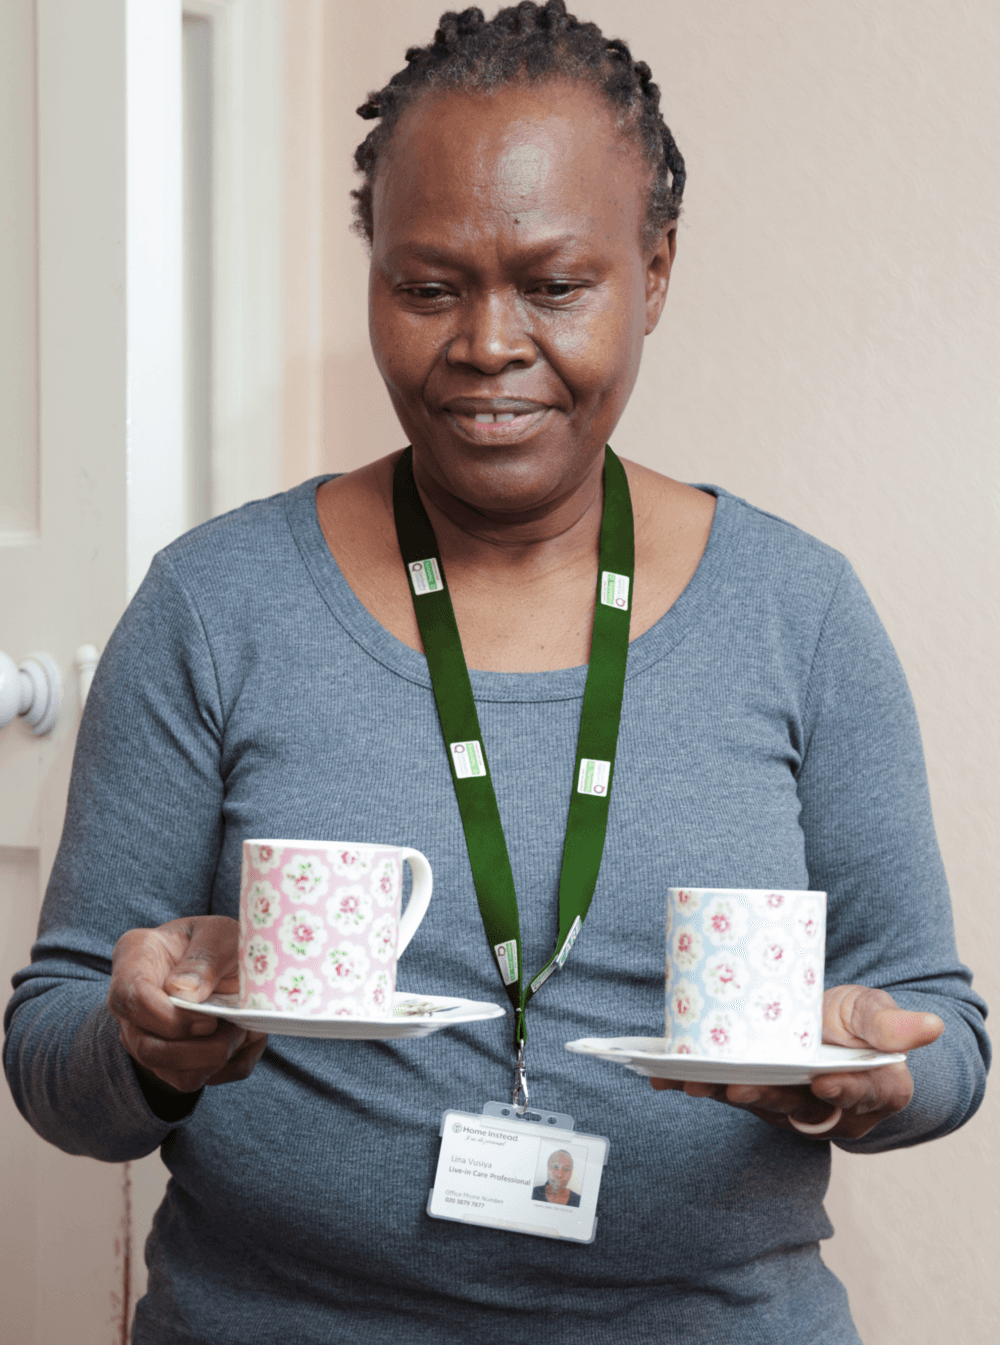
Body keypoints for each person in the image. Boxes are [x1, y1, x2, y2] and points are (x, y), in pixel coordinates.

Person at [3, 3, 989, 1342]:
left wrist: (859, 1078)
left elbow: (943, 1035)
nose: (487, 344)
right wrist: (146, 1047)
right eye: (428, 285)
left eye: (556, 284)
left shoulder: (799, 612)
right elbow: (53, 1054)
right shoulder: (213, 603)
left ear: (656, 267)